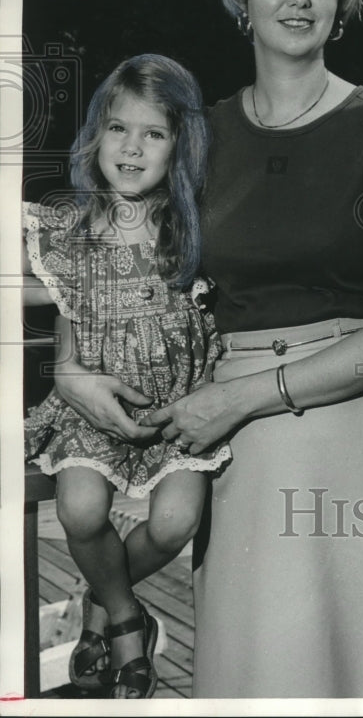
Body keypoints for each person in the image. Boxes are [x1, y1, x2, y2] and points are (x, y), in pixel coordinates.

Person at [56, 0, 363, 698]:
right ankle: (114, 610)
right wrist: (70, 370)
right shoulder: (197, 137)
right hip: (249, 447)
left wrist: (237, 399)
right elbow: (107, 259)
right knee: (270, 680)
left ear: (342, 1)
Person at [22, 54, 230, 699]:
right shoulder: (70, 231)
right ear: (96, 135)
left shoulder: (195, 229)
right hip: (92, 409)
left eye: (153, 133)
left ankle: (101, 601)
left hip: (176, 407)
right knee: (81, 510)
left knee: (174, 524)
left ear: (180, 146)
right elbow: (65, 330)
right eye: (118, 128)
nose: (132, 148)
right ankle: (127, 621)